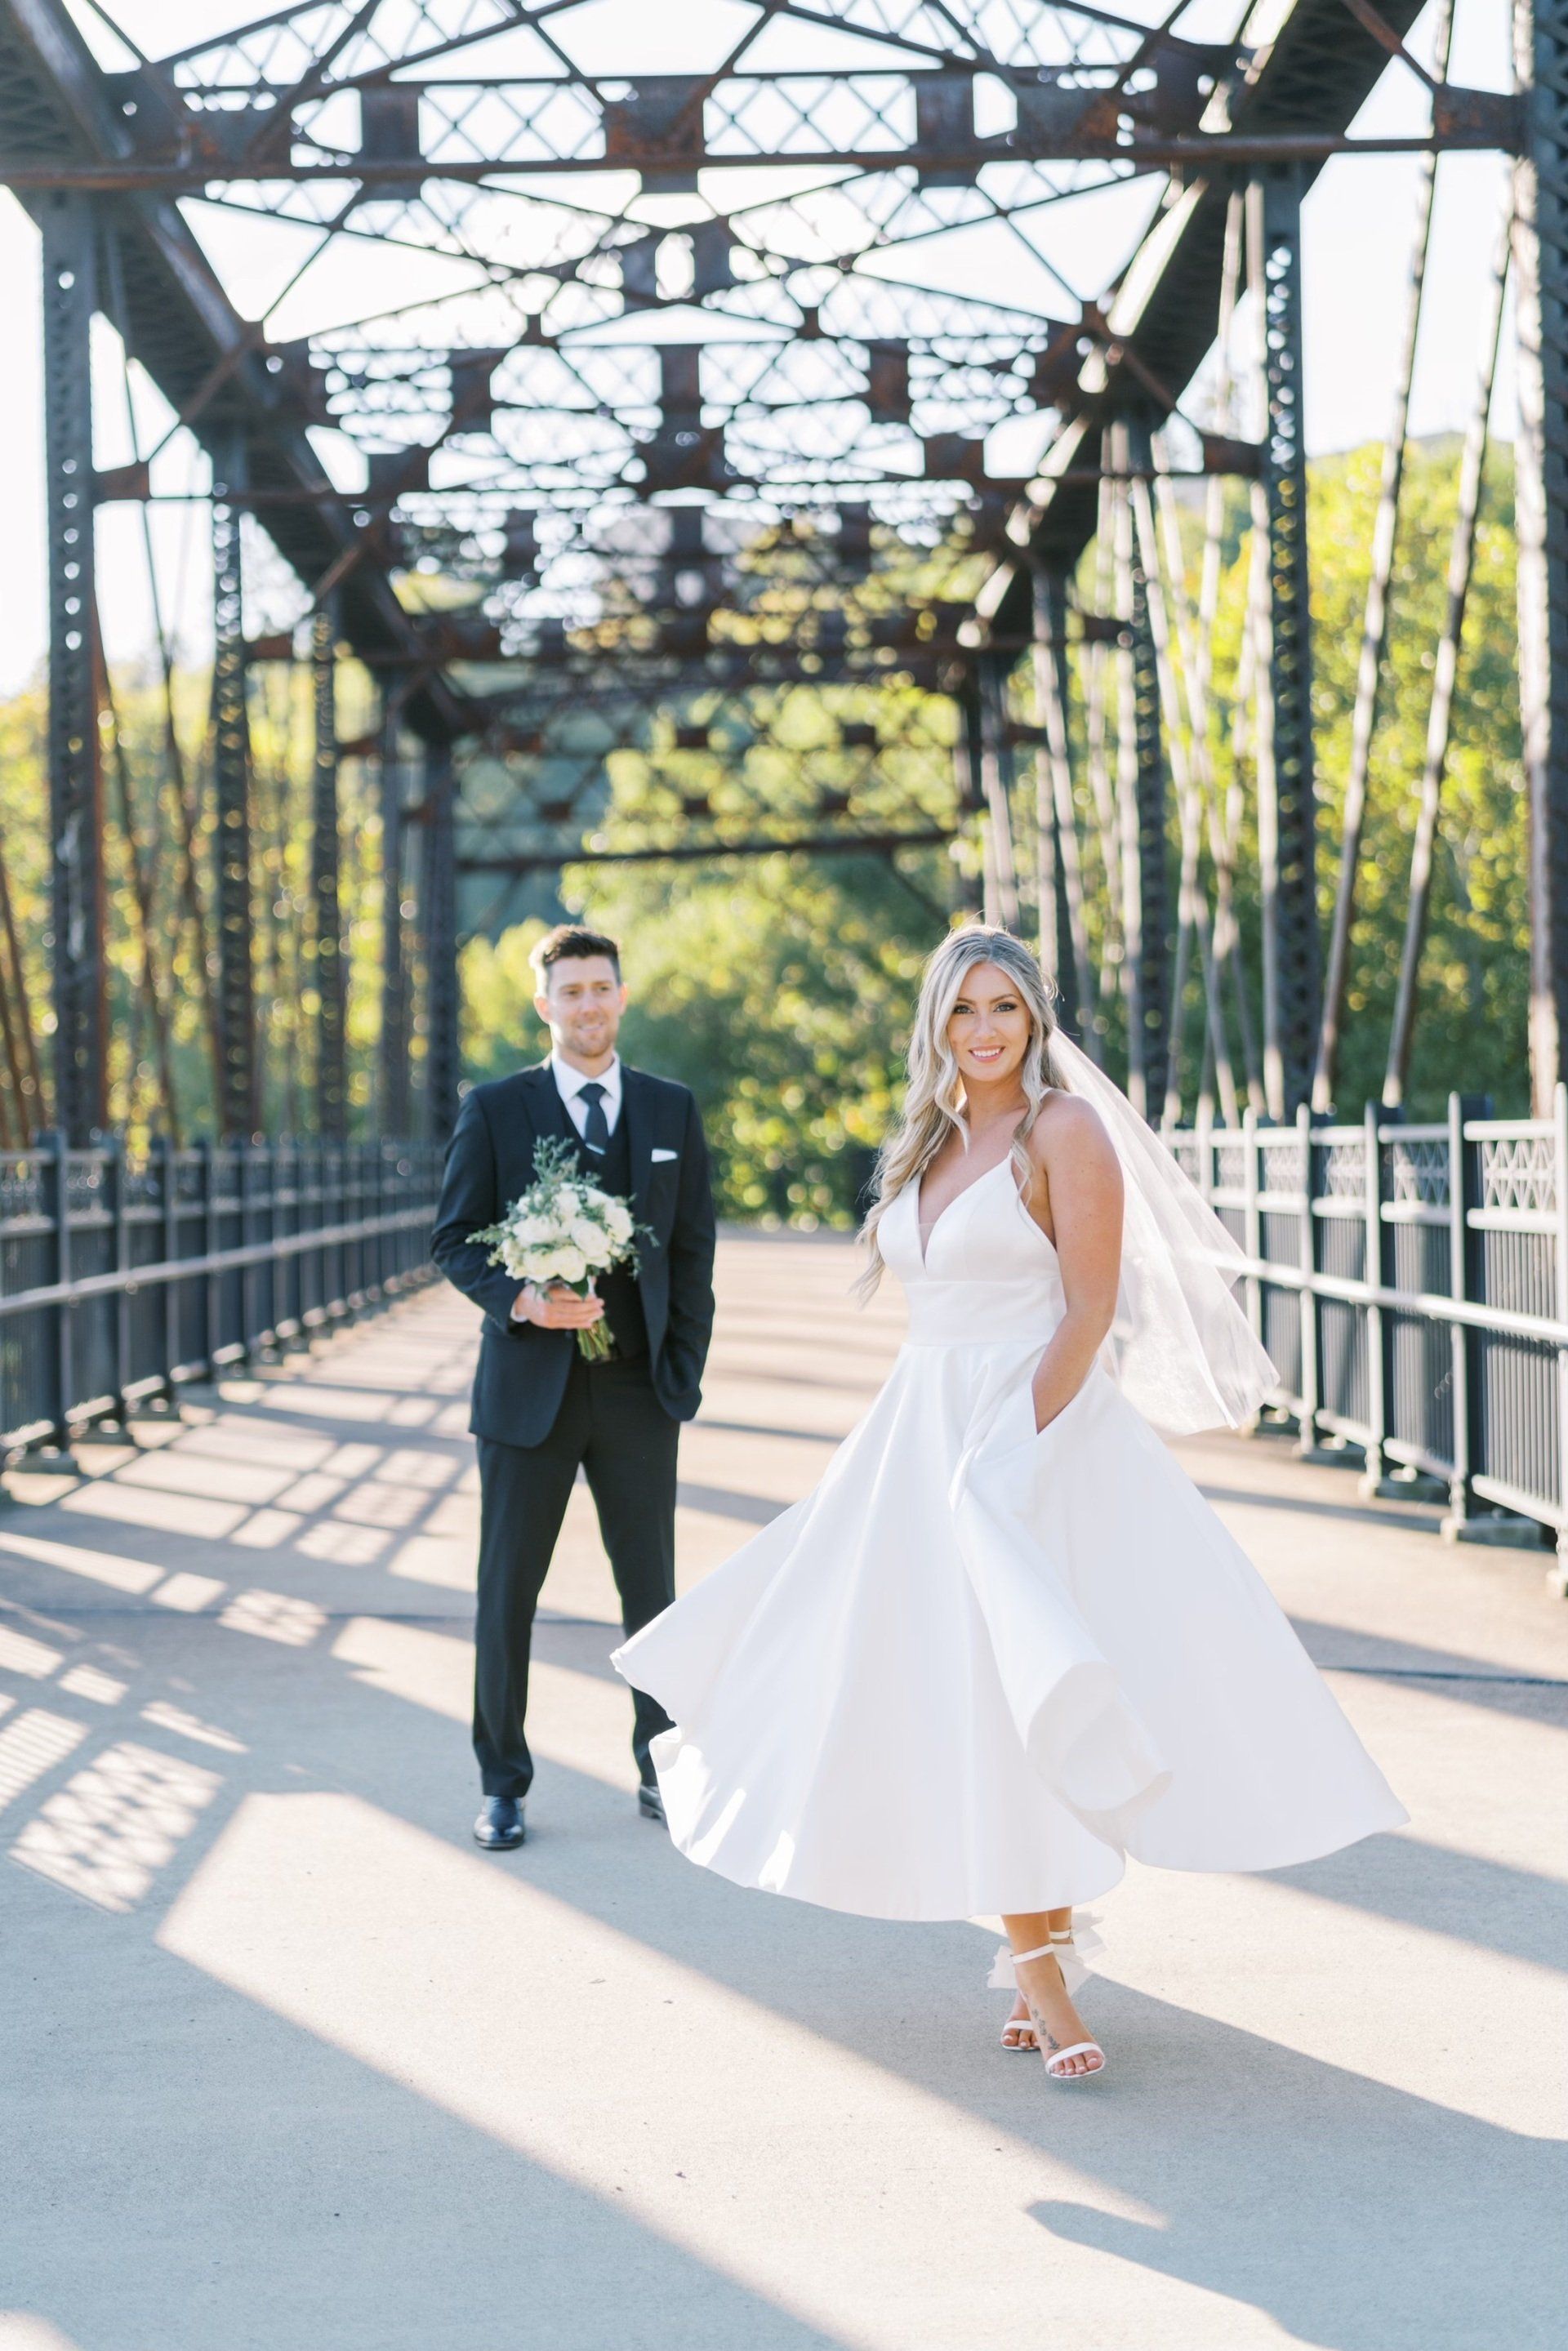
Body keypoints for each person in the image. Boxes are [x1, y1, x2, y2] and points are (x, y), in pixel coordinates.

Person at [614, 924, 1405, 2082]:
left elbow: (1088, 1308)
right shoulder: (930, 1139)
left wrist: (1009, 1448)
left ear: (1037, 1021)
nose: (984, 1029)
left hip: (1029, 1435)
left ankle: (1039, 1963)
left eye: (1005, 1008)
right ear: (937, 1023)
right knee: (942, 1687)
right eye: (963, 1009)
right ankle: (1039, 1954)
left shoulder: (1062, 1129)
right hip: (915, 1433)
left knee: (1021, 1686)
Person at [432, 924, 716, 1849]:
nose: (588, 1005)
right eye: (571, 990)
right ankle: (503, 1782)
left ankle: (659, 1764)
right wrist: (520, 1297)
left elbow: (695, 1249)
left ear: (621, 997)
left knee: (653, 1594)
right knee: (507, 1589)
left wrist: (683, 1371)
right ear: (543, 1003)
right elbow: (453, 1236)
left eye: (602, 987)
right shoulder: (496, 1109)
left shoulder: (672, 1110)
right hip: (527, 1394)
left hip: (639, 1391)